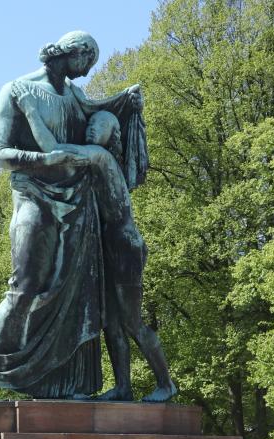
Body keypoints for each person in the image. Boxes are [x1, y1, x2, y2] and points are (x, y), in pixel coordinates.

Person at [0, 31, 148, 401]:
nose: (87, 71)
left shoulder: (75, 96)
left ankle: (69, 386)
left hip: (78, 202)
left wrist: (127, 101)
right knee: (23, 286)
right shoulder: (16, 90)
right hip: (33, 194)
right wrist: (42, 161)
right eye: (88, 61)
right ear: (75, 53)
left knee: (78, 291)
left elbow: (102, 115)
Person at [77, 111, 177, 402]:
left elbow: (63, 155)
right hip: (109, 248)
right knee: (111, 322)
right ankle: (123, 387)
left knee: (132, 322)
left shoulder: (100, 157)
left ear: (111, 135)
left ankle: (166, 383)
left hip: (124, 247)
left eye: (100, 126)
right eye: (91, 125)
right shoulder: (96, 165)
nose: (93, 129)